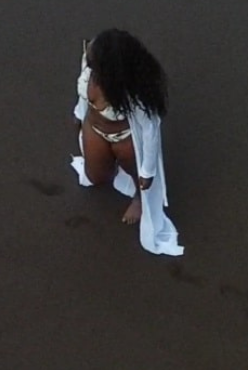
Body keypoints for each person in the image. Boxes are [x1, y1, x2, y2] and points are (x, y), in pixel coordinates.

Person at [70, 29, 182, 256]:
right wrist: (78, 114)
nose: (89, 54)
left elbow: (150, 130)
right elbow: (83, 95)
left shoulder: (133, 94)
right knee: (96, 176)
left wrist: (148, 171)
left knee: (139, 179)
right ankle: (112, 166)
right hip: (95, 128)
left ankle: (138, 199)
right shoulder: (89, 63)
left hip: (125, 139)